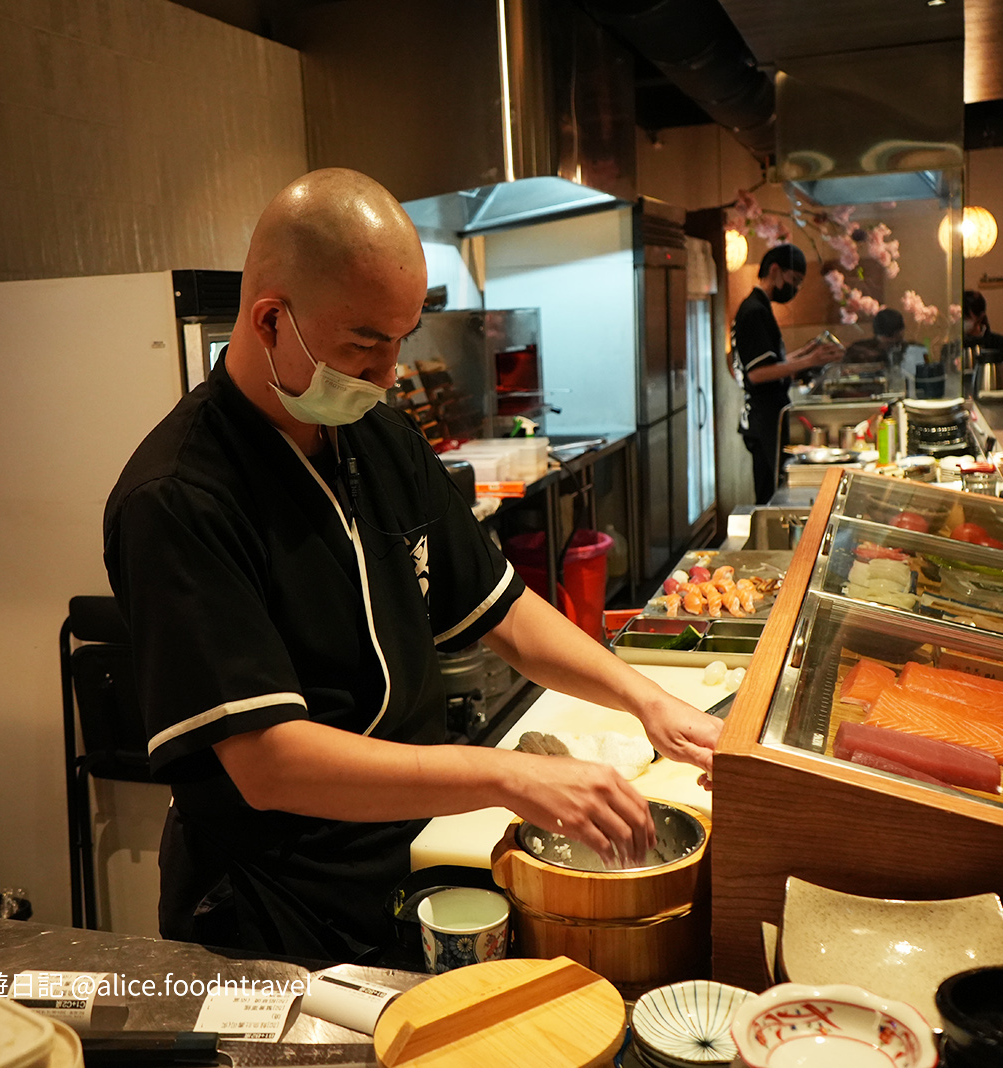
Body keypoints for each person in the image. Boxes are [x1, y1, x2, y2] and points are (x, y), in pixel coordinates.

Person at [103, 169, 725, 962]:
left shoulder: (375, 436)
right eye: (364, 345)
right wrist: (509, 776)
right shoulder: (178, 498)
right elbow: (269, 762)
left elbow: (500, 606)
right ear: (269, 320)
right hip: (274, 901)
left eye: (400, 341)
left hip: (412, 851)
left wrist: (647, 701)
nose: (389, 373)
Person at [733, 245, 843, 503]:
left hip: (769, 417)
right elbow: (758, 373)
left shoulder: (759, 307)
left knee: (772, 488)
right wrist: (809, 360)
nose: (793, 289)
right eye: (793, 281)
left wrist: (806, 352)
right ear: (775, 270)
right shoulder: (754, 311)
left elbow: (772, 362)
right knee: (770, 494)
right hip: (763, 418)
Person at [963, 290, 1003, 382]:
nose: (962, 321)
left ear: (980, 317)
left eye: (966, 317)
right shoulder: (954, 346)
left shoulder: (999, 344)